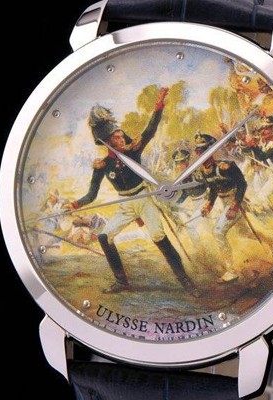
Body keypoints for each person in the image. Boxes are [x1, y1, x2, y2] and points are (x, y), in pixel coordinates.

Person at [66, 88, 199, 297]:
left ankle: (186, 281)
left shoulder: (134, 151)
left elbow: (151, 129)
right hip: (126, 205)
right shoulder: (103, 166)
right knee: (104, 236)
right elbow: (91, 195)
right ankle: (121, 281)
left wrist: (159, 104)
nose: (122, 139)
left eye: (121, 136)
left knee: (158, 236)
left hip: (144, 199)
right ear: (107, 142)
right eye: (117, 137)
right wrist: (74, 204)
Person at [194, 132, 248, 283]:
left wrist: (234, 206)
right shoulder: (204, 171)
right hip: (224, 204)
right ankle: (271, 243)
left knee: (218, 232)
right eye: (198, 151)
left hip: (237, 202)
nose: (200, 154)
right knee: (245, 233)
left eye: (204, 151)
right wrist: (209, 206)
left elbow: (242, 184)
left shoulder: (226, 166)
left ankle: (231, 271)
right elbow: (213, 189)